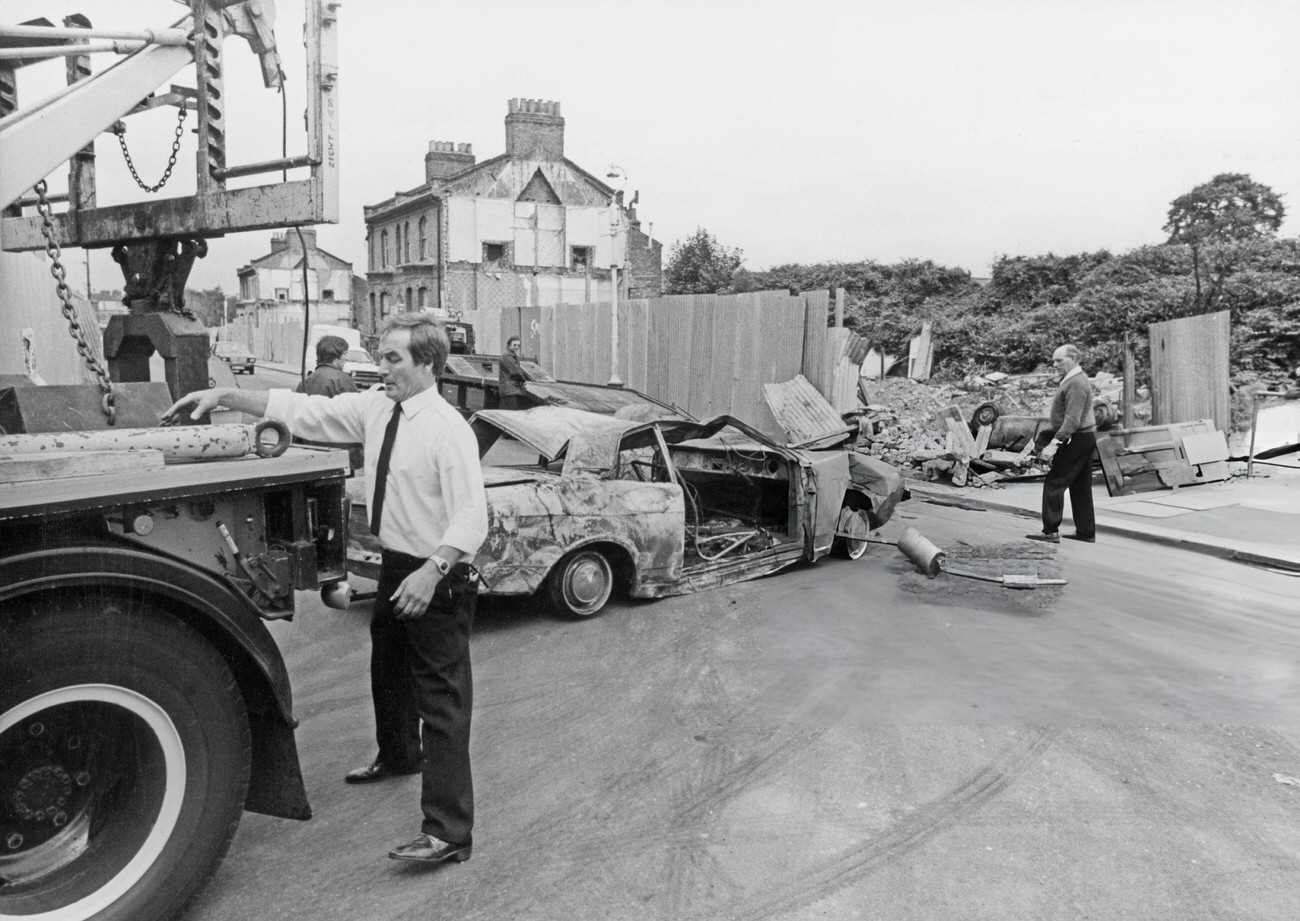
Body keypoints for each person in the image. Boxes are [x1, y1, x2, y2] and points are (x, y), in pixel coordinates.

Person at [166, 313, 489, 865]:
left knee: (442, 703)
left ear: (428, 365)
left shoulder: (447, 428)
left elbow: (473, 516)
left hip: (435, 574)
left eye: (393, 359)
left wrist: (432, 570)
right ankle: (398, 755)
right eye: (379, 355)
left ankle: (449, 832)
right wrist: (228, 395)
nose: (380, 367)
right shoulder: (379, 407)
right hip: (397, 564)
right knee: (386, 668)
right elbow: (309, 410)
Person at [1027, 343, 1097, 544]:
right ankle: (1086, 531)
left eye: (1059, 360)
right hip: (1085, 437)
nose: (1054, 364)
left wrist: (1054, 443)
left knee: (1055, 481)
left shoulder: (1076, 383)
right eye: (1053, 361)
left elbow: (1072, 420)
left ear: (1073, 358)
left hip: (1076, 437)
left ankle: (1050, 531)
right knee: (1080, 486)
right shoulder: (1073, 379)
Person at [295, 335, 362, 468]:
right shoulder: (343, 380)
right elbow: (358, 416)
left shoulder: (305, 382)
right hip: (339, 454)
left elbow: (297, 419)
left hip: (310, 453)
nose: (346, 358)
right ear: (335, 355)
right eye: (344, 354)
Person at [497, 335, 530, 410]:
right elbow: (515, 372)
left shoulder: (512, 356)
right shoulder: (506, 356)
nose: (517, 347)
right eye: (514, 345)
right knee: (511, 412)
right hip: (509, 390)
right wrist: (524, 380)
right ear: (509, 346)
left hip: (511, 390)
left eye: (518, 345)